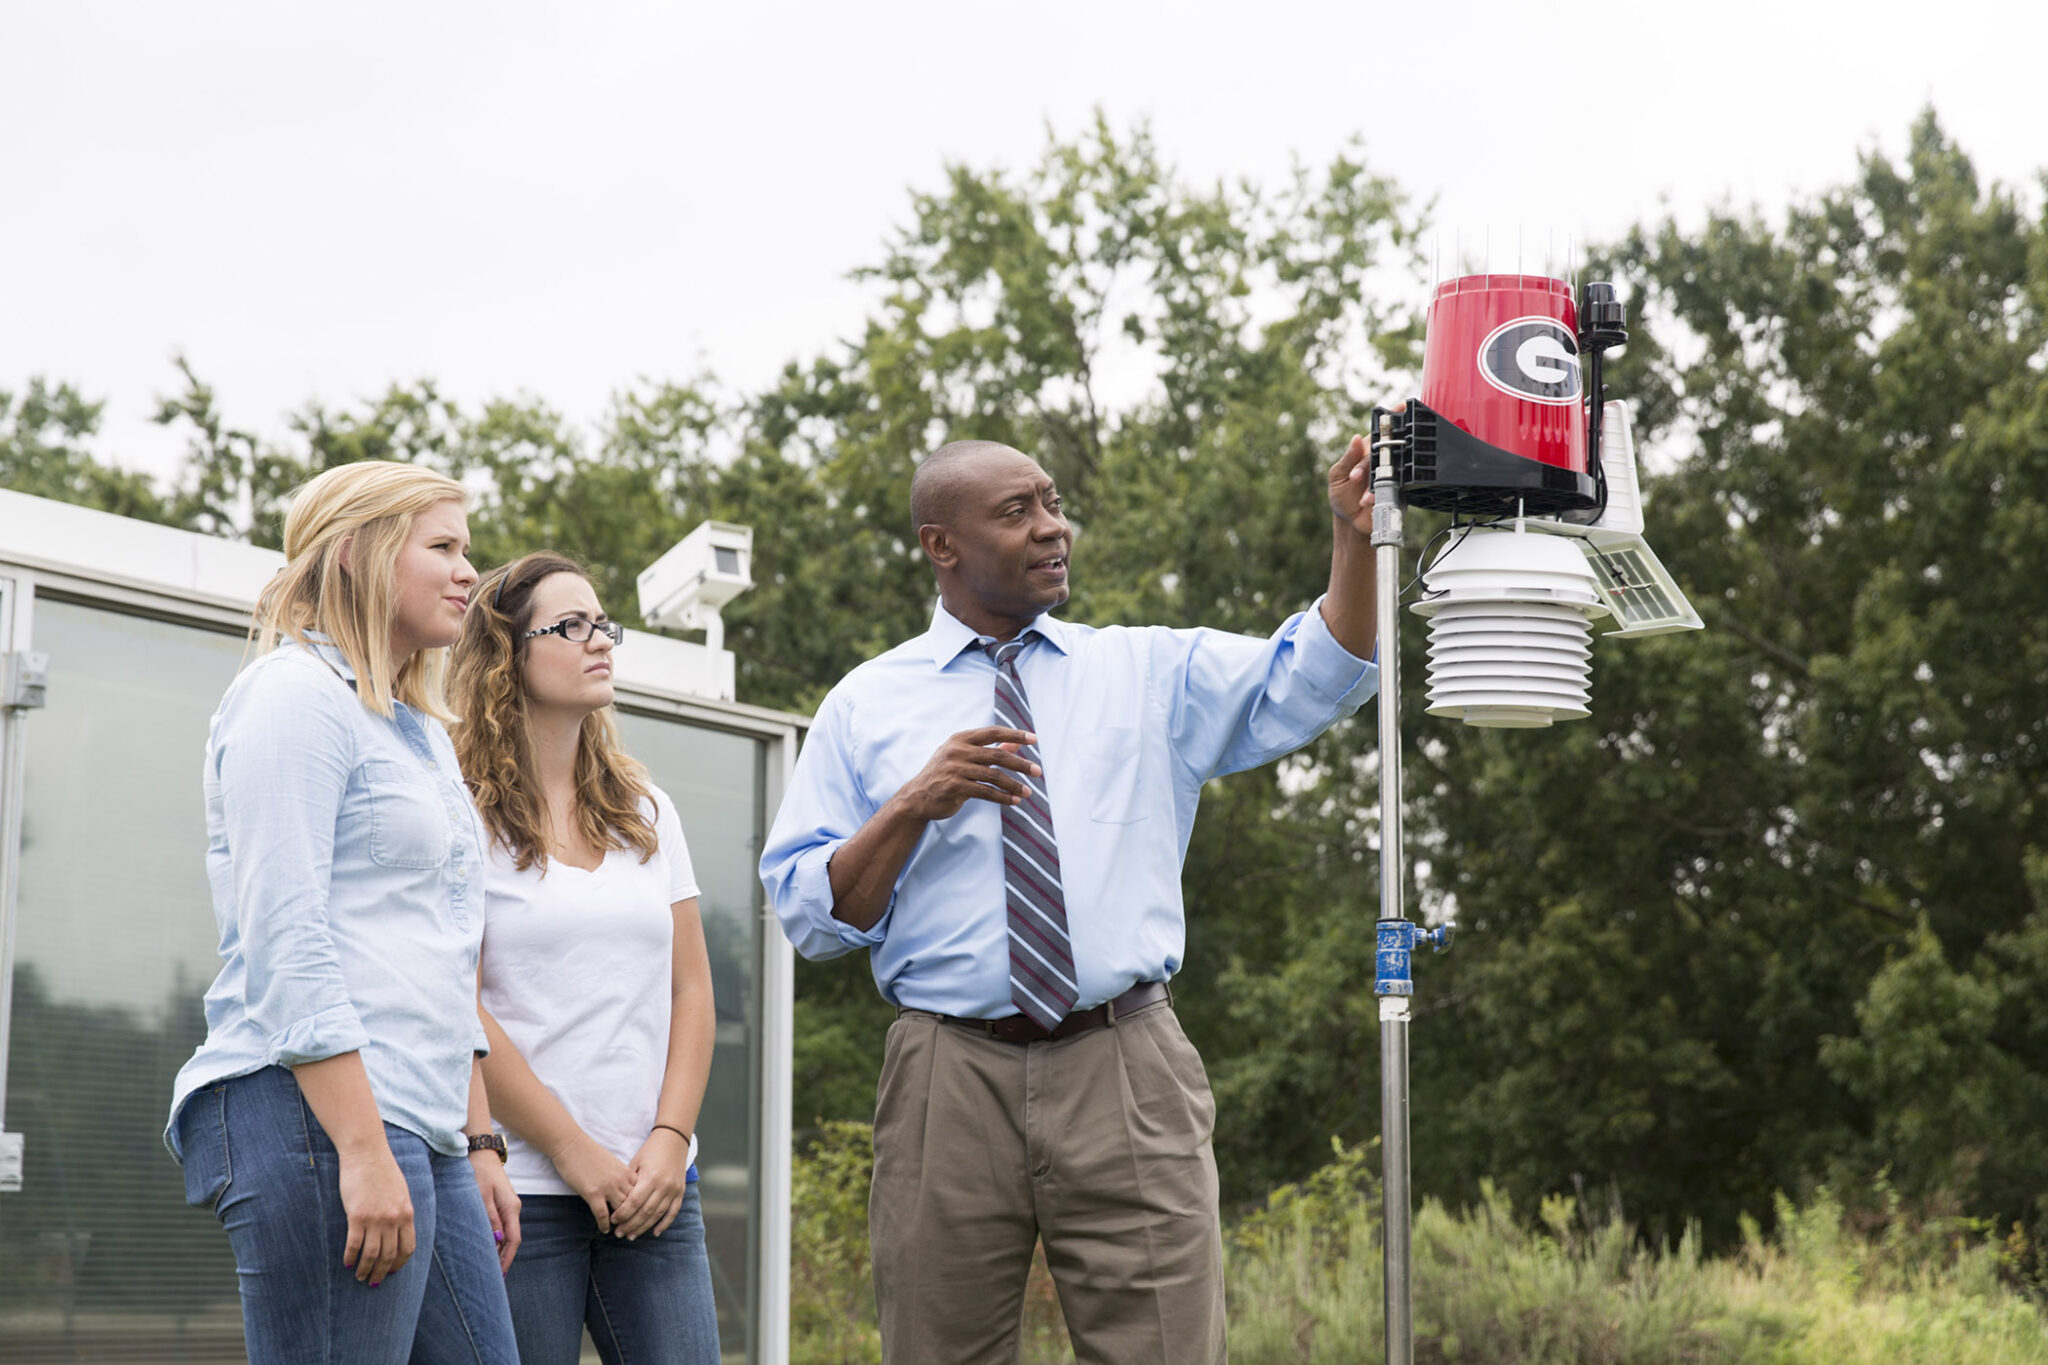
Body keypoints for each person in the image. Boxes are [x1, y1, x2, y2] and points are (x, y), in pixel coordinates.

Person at [759, 436, 1383, 1363]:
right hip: (947, 1074)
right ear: (942, 544)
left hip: (1126, 1058)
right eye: (1017, 512)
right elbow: (813, 918)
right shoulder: (865, 704)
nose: (1054, 526)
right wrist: (913, 804)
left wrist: (1353, 537)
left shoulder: (1144, 670)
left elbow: (1317, 672)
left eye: (1051, 501)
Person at [165, 460, 521, 1364]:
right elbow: (288, 937)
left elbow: (441, 954)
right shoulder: (292, 698)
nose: (466, 572)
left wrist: (475, 1137)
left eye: (466, 548)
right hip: (315, 1112)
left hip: (423, 1123)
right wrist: (363, 1147)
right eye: (441, 546)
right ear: (357, 554)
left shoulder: (421, 733)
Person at [450, 551, 721, 1365]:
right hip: (523, 1189)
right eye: (571, 625)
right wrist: (571, 1150)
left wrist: (672, 1137)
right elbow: (455, 1003)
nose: (599, 639)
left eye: (603, 622)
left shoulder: (647, 808)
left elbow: (693, 989)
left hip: (656, 1190)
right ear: (508, 653)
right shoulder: (458, 808)